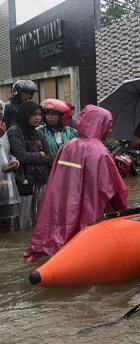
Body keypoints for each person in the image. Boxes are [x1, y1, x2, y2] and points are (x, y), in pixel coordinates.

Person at [24, 105, 128, 262]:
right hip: (89, 209)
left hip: (65, 204)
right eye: (108, 124)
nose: (110, 129)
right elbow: (110, 190)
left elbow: (57, 182)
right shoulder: (100, 151)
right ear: (101, 124)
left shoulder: (68, 146)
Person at [7, 101, 54, 230]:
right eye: (34, 114)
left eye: (39, 114)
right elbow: (21, 156)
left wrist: (35, 156)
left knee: (40, 221)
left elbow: (50, 157)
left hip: (42, 181)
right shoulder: (14, 132)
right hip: (24, 182)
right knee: (23, 223)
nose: (38, 118)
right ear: (25, 114)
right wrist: (39, 155)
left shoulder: (39, 133)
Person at [0, 100, 20, 231]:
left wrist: (15, 162)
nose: (1, 113)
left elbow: (8, 153)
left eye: (1, 109)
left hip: (6, 186)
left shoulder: (4, 130)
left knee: (7, 231)